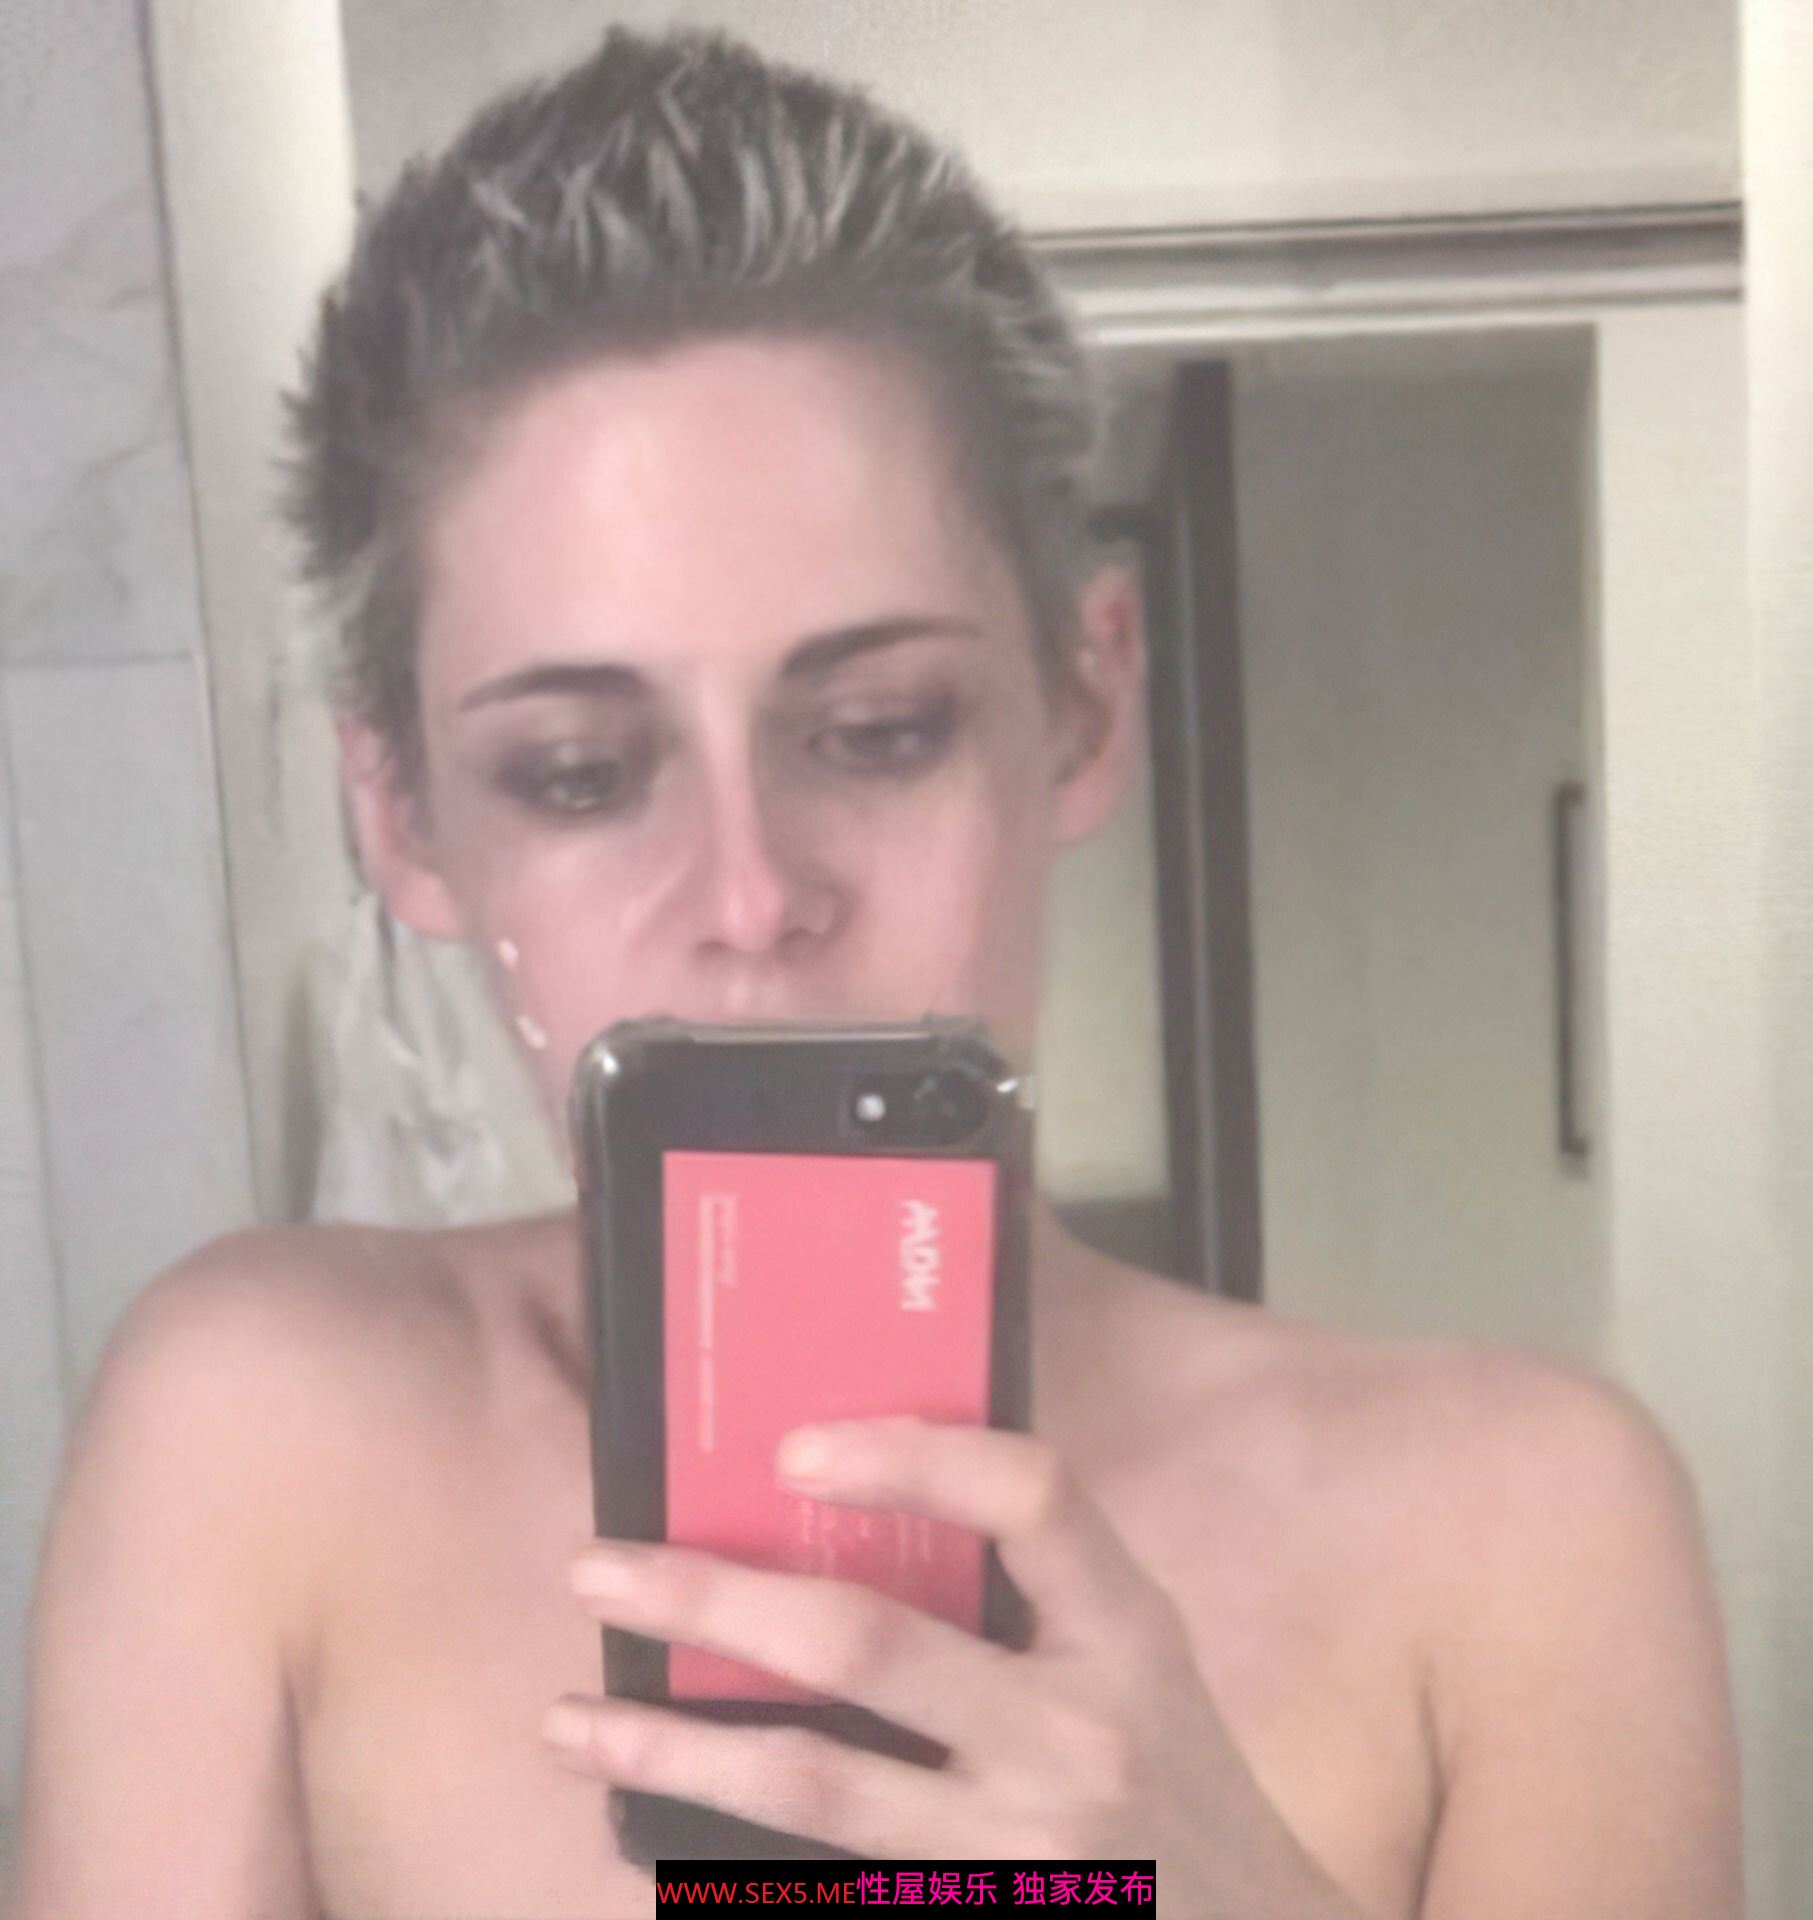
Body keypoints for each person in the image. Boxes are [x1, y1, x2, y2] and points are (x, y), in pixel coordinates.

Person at [11, 27, 1742, 1919]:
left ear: (1082, 704)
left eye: (879, 728)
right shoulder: (258, 1439)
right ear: (405, 819)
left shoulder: (1517, 1532)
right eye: (579, 772)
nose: (752, 896)